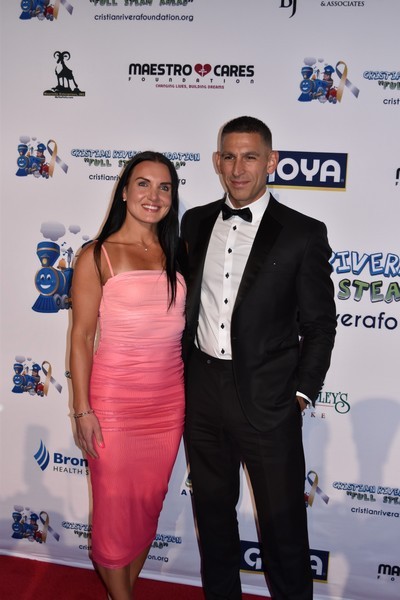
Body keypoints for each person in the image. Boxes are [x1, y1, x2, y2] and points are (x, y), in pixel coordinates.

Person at [181, 116, 337, 600]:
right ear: (216, 161)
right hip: (202, 393)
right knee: (213, 520)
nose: (238, 168)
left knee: (283, 531)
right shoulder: (195, 222)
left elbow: (320, 325)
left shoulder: (303, 233)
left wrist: (301, 393)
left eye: (250, 157)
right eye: (229, 157)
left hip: (270, 400)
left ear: (271, 161)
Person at [69, 151, 186, 600]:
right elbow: (82, 338)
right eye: (143, 184)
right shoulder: (97, 255)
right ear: (123, 191)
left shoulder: (179, 252)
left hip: (168, 405)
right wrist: (82, 409)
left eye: (164, 187)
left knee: (147, 509)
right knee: (115, 515)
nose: (153, 195)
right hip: (114, 406)